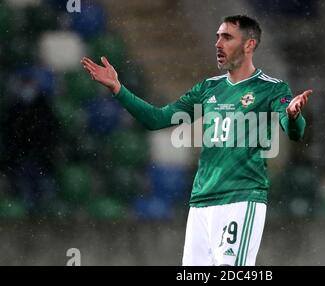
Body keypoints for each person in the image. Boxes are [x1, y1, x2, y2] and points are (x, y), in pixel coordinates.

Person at [81, 15, 312, 266]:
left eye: (227, 37)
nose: (218, 43)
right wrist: (118, 88)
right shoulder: (207, 89)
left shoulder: (271, 88)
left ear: (249, 45)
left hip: (241, 198)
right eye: (217, 37)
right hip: (202, 202)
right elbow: (157, 119)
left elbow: (294, 131)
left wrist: (292, 115)